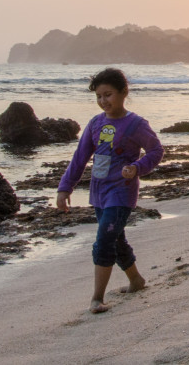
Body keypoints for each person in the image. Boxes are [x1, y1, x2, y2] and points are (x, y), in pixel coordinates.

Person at [56, 68, 164, 314]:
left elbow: (156, 151)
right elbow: (80, 157)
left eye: (108, 94)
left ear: (124, 92)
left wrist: (137, 168)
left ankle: (97, 298)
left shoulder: (136, 124)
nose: (103, 101)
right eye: (99, 96)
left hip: (122, 193)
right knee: (117, 240)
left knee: (104, 240)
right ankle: (136, 280)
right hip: (99, 194)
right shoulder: (96, 123)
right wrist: (65, 187)